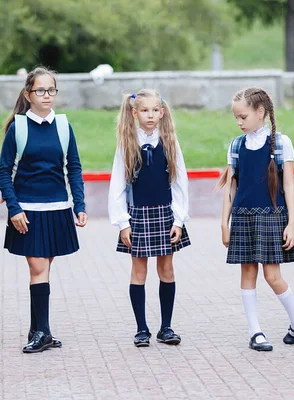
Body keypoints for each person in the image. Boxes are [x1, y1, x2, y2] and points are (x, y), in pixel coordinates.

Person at [0, 66, 87, 353]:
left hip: (58, 208)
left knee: (44, 269)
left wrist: (79, 205)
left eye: (51, 90)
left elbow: (73, 167)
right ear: (28, 94)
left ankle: (38, 329)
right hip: (27, 212)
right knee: (38, 268)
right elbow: (3, 172)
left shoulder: (63, 126)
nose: (46, 95)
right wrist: (14, 209)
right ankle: (44, 332)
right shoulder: (18, 128)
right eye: (40, 90)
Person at [219, 87, 294, 352]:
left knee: (272, 275)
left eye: (243, 117)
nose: (239, 122)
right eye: (236, 117)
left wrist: (292, 223)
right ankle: (255, 332)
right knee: (248, 272)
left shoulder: (281, 143)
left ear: (261, 113)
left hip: (272, 217)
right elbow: (230, 187)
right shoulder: (236, 145)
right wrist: (224, 223)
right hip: (243, 218)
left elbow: (289, 185)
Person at [108, 89, 190, 347]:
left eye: (155, 110)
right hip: (138, 216)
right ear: (135, 113)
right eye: (145, 110)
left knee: (166, 268)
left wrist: (179, 220)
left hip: (165, 214)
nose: (150, 115)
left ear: (162, 112)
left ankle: (166, 327)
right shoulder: (127, 144)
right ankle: (141, 328)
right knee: (139, 270)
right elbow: (117, 186)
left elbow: (179, 183)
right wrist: (123, 222)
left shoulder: (170, 142)